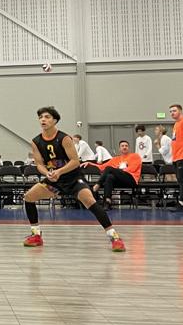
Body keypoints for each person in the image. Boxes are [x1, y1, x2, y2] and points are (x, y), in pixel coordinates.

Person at [21, 106, 124, 252]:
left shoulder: (64, 138)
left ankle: (114, 237)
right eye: (40, 117)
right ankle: (36, 235)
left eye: (47, 117)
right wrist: (47, 173)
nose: (43, 120)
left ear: (55, 120)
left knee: (90, 201)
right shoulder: (36, 141)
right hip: (55, 181)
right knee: (29, 197)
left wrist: (59, 171)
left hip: (73, 179)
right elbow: (39, 164)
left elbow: (75, 161)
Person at [87, 140, 141, 204]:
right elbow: (102, 167)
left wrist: (118, 170)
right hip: (119, 181)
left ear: (128, 148)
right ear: (119, 149)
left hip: (131, 180)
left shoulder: (135, 156)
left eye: (126, 146)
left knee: (110, 169)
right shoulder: (116, 159)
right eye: (122, 146)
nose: (124, 147)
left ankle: (97, 185)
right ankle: (107, 201)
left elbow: (132, 169)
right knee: (109, 177)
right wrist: (90, 163)